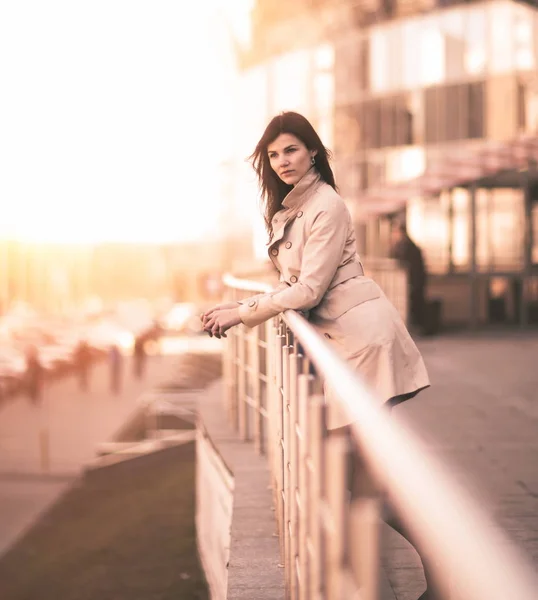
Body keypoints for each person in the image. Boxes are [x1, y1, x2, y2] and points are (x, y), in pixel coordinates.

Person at [201, 111, 439, 599]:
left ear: (312, 151)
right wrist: (237, 304)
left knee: (356, 471)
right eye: (273, 154)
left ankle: (436, 568)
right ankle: (432, 572)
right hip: (346, 343)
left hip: (364, 342)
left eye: (290, 149)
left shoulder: (326, 205)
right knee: (359, 472)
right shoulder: (295, 207)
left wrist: (242, 315)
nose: (282, 161)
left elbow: (308, 289)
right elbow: (294, 282)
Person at [390, 219, 427, 332]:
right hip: (414, 282)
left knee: (413, 307)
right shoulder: (407, 246)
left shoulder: (407, 247)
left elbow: (406, 265)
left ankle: (417, 327)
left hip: (412, 283)